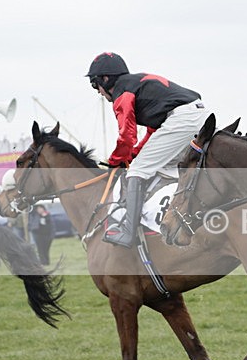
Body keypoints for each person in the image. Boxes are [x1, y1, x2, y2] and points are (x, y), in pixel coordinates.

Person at [85, 52, 208, 248]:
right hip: (196, 116)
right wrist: (134, 155)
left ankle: (128, 232)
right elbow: (153, 132)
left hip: (182, 120)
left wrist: (116, 161)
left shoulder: (122, 93)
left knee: (137, 172)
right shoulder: (139, 86)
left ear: (105, 79)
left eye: (94, 84)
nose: (98, 91)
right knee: (166, 168)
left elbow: (126, 136)